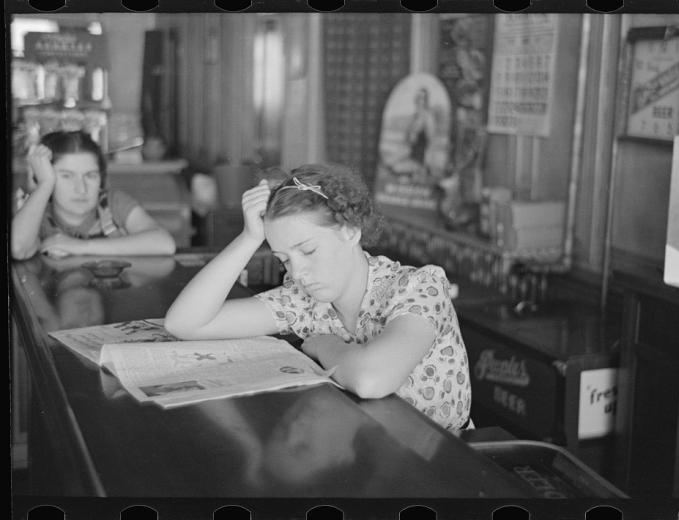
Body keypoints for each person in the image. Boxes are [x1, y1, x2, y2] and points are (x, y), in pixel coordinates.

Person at [165, 164, 472, 431]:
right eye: (284, 259)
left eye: (308, 251)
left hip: (445, 464)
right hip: (370, 456)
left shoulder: (419, 287)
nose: (297, 272)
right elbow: (185, 323)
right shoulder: (305, 301)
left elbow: (371, 379)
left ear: (350, 231)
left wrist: (325, 345)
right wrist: (249, 238)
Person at [11, 130, 176, 260]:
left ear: (101, 179)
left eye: (90, 175)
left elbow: (164, 243)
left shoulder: (112, 204)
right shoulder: (38, 214)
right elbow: (18, 248)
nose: (81, 189)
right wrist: (44, 184)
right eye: (67, 176)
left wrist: (78, 247)